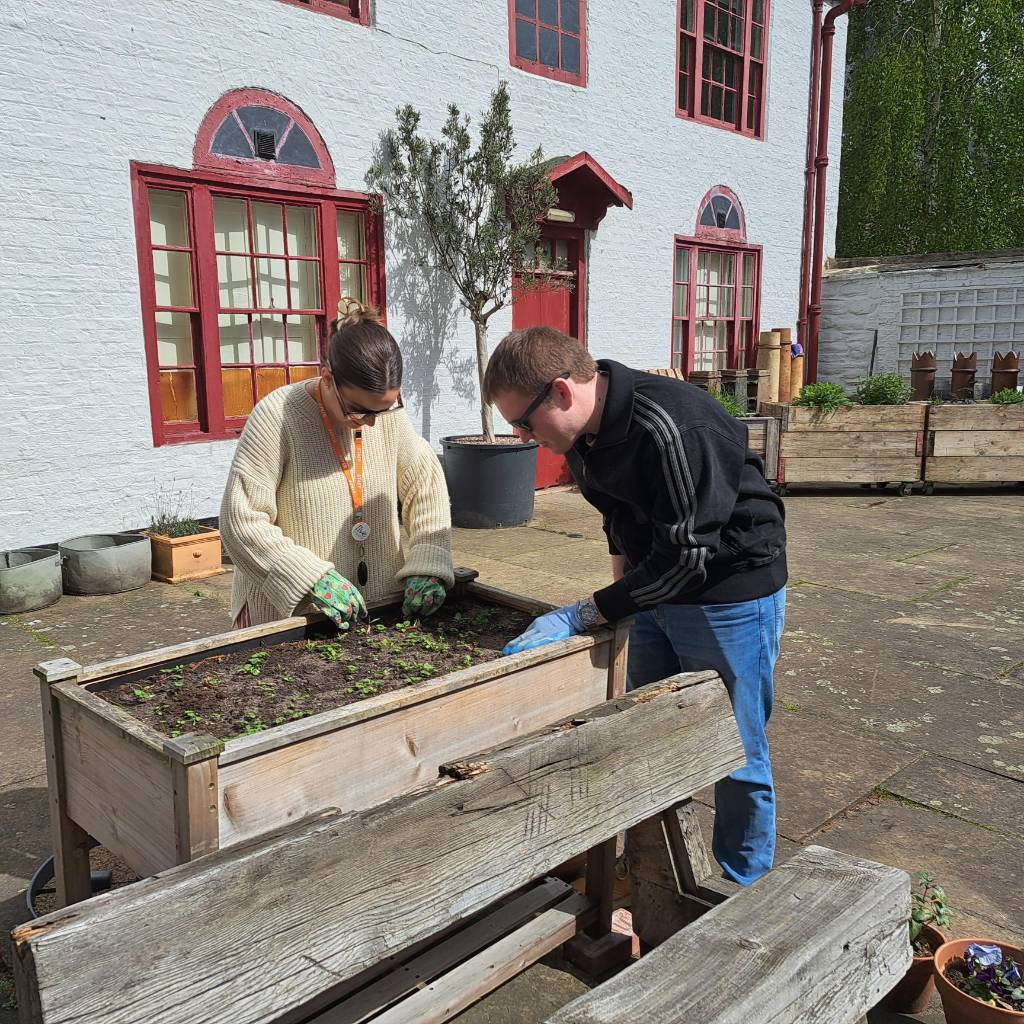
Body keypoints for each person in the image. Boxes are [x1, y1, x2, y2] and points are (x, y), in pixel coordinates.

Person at [483, 326, 787, 885]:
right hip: (654, 590)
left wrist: (590, 611)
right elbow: (618, 516)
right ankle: (653, 875)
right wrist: (623, 598)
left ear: (561, 392)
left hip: (728, 593)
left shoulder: (674, 425)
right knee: (647, 732)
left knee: (736, 745)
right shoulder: (585, 437)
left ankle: (742, 885)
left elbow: (688, 557)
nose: (524, 436)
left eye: (523, 422)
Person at [220, 298, 454, 630]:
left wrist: (428, 559)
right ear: (328, 379)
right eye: (359, 410)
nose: (371, 422)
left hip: (376, 607)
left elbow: (425, 487)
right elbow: (240, 521)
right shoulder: (276, 416)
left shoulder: (387, 417)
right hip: (291, 616)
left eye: (384, 409)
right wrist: (308, 578)